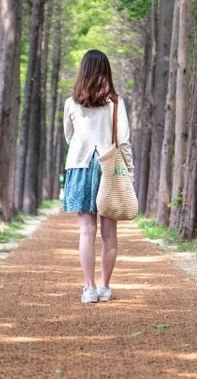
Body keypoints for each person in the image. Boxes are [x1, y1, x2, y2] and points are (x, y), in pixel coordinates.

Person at [62, 49, 133, 303]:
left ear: (83, 71)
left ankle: (89, 288)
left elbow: (69, 137)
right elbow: (123, 142)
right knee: (110, 232)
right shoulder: (116, 103)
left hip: (80, 166)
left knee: (86, 231)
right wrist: (130, 172)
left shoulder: (71, 104)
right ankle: (105, 286)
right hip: (109, 167)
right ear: (106, 71)